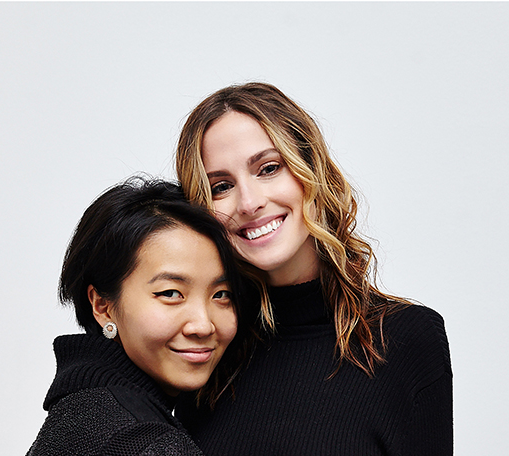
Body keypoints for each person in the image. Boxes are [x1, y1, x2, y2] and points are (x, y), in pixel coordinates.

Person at [173, 82, 453, 455]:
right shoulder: (207, 347)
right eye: (221, 187)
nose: (249, 202)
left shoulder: (405, 339)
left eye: (269, 168)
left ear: (310, 170)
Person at [26, 178, 257, 456]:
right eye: (171, 293)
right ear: (102, 306)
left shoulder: (83, 410)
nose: (203, 325)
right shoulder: (140, 439)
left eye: (222, 294)